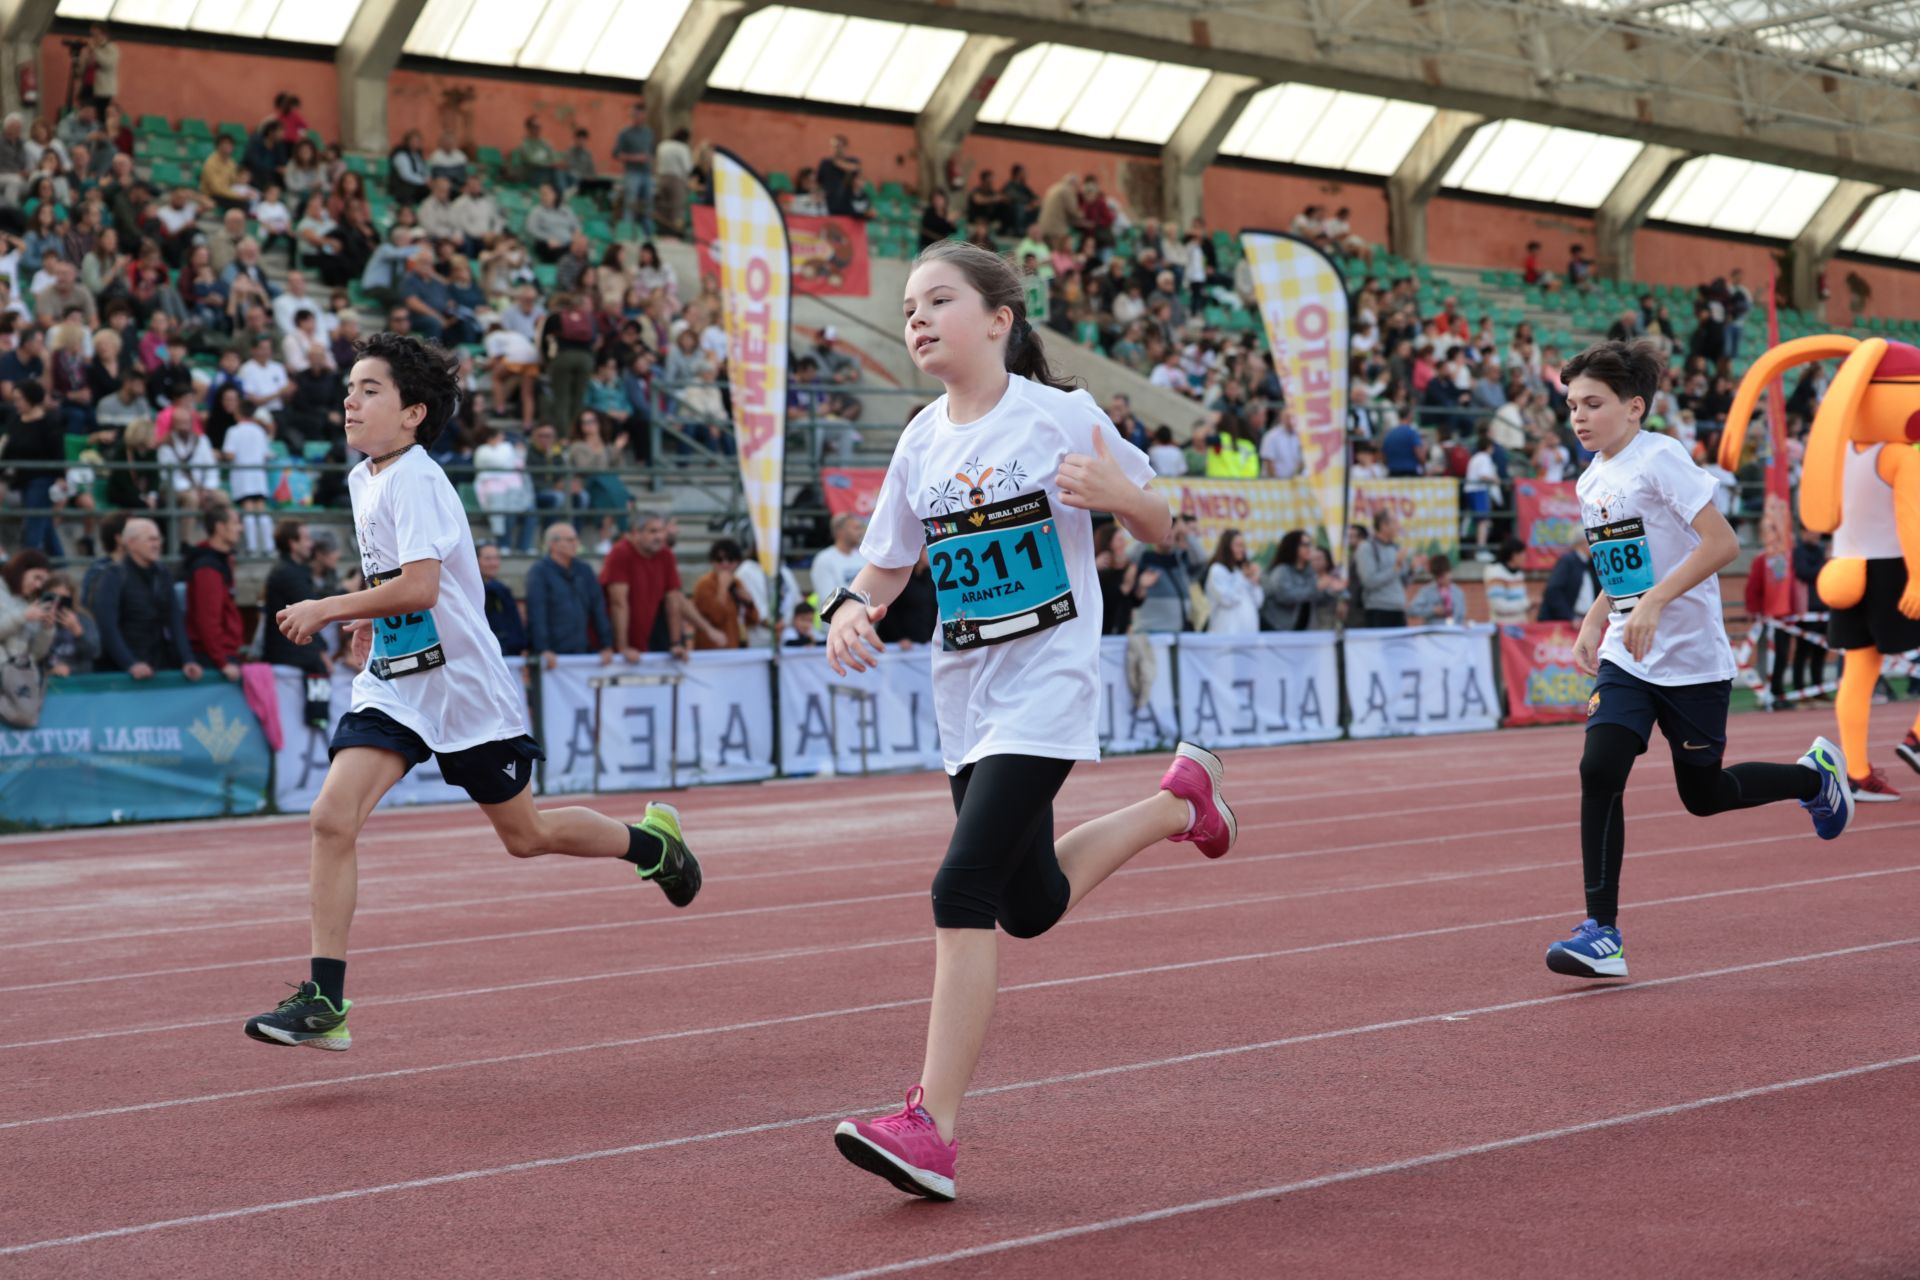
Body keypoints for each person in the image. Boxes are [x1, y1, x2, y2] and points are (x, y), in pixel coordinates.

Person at [824, 240, 1237, 1202]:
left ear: (1000, 318)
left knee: (960, 886)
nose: (917, 317)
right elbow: (887, 560)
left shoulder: (1058, 416)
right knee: (1030, 902)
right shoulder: (922, 437)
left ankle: (931, 1126)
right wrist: (849, 607)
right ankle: (1182, 803)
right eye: (909, 305)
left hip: (1046, 686)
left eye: (939, 301)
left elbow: (1162, 523)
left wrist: (1121, 496)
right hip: (964, 697)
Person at [243, 333, 702, 1053]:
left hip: (462, 689)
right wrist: (370, 620)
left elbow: (425, 585)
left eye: (370, 390)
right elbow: (396, 580)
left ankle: (651, 843)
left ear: (414, 412)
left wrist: (332, 608)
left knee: (528, 837)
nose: (350, 403)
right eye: (349, 390)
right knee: (332, 817)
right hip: (396, 685)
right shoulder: (367, 478)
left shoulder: (417, 478)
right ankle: (325, 1000)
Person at [1546, 339, 1849, 981]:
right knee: (1599, 766)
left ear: (1633, 408)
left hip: (1691, 660)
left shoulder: (1661, 457)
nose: (1578, 416)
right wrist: (1597, 618)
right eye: (1572, 404)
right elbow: (1624, 565)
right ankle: (1602, 933)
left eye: (1592, 403)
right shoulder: (1591, 478)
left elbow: (1722, 544)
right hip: (1628, 655)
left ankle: (1813, 777)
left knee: (1705, 795)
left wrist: (1655, 603)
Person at [92, 516, 201, 679]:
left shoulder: (163, 574)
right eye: (151, 540)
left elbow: (175, 619)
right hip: (123, 673)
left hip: (160, 664)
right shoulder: (113, 576)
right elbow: (107, 627)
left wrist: (187, 659)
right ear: (131, 543)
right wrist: (130, 664)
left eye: (158, 539)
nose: (157, 545)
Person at [600, 512, 692, 659]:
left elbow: (673, 599)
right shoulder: (620, 553)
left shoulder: (666, 555)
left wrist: (676, 643)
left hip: (643, 640)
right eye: (653, 531)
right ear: (636, 533)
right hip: (609, 645)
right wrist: (622, 648)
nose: (659, 537)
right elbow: (618, 604)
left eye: (662, 531)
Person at [526, 522, 614, 669]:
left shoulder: (584, 570)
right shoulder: (539, 572)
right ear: (553, 544)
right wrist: (543, 649)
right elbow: (537, 613)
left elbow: (598, 608)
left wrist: (606, 644)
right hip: (554, 655)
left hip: (582, 650)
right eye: (570, 540)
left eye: (576, 539)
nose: (575, 544)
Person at [183, 501, 247, 681]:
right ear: (220, 527)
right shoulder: (207, 569)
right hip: (213, 660)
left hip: (220, 655)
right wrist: (222, 661)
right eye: (235, 523)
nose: (240, 528)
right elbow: (207, 618)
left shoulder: (223, 560)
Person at [689, 539, 759, 650]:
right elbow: (716, 618)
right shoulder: (704, 584)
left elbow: (754, 620)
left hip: (737, 646)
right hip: (713, 650)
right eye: (719, 559)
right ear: (712, 562)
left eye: (730, 559)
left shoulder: (737, 583)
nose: (725, 564)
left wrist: (750, 603)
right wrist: (722, 589)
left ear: (737, 562)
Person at [1354, 509, 1410, 627]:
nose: (1398, 526)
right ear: (1383, 526)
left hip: (1398, 608)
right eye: (1395, 522)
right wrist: (1396, 567)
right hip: (1378, 610)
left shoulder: (1395, 547)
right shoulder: (1366, 548)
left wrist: (1413, 569)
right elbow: (1369, 581)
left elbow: (1402, 581)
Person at [1203, 527, 1263, 633]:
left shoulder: (1241, 571)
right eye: (1238, 545)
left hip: (1249, 635)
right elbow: (1227, 599)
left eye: (1243, 546)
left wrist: (1255, 581)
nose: (1242, 549)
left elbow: (1258, 601)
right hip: (1225, 636)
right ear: (1227, 547)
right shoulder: (1217, 570)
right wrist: (1243, 578)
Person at [475, 541, 527, 658]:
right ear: (475, 560)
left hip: (510, 653)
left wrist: (522, 647)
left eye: (496, 558)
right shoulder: (471, 591)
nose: (493, 563)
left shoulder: (502, 589)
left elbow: (513, 622)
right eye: (488, 559)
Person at [809, 513, 866, 597]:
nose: (861, 532)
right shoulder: (824, 559)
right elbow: (828, 598)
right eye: (856, 528)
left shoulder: (863, 557)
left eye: (861, 528)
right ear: (840, 532)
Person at [1407, 553, 1468, 624]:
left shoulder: (1458, 592)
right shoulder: (1427, 591)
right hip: (1434, 633)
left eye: (1442, 576)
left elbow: (1461, 616)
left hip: (1453, 633)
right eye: (1437, 577)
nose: (1440, 580)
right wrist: (1433, 610)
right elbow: (1411, 610)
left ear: (1449, 572)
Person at [1483, 536, 1531, 625]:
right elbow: (1499, 606)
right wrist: (1527, 603)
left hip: (1520, 627)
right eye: (1522, 553)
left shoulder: (1519, 574)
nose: (1525, 557)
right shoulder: (1495, 573)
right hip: (1502, 629)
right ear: (1514, 555)